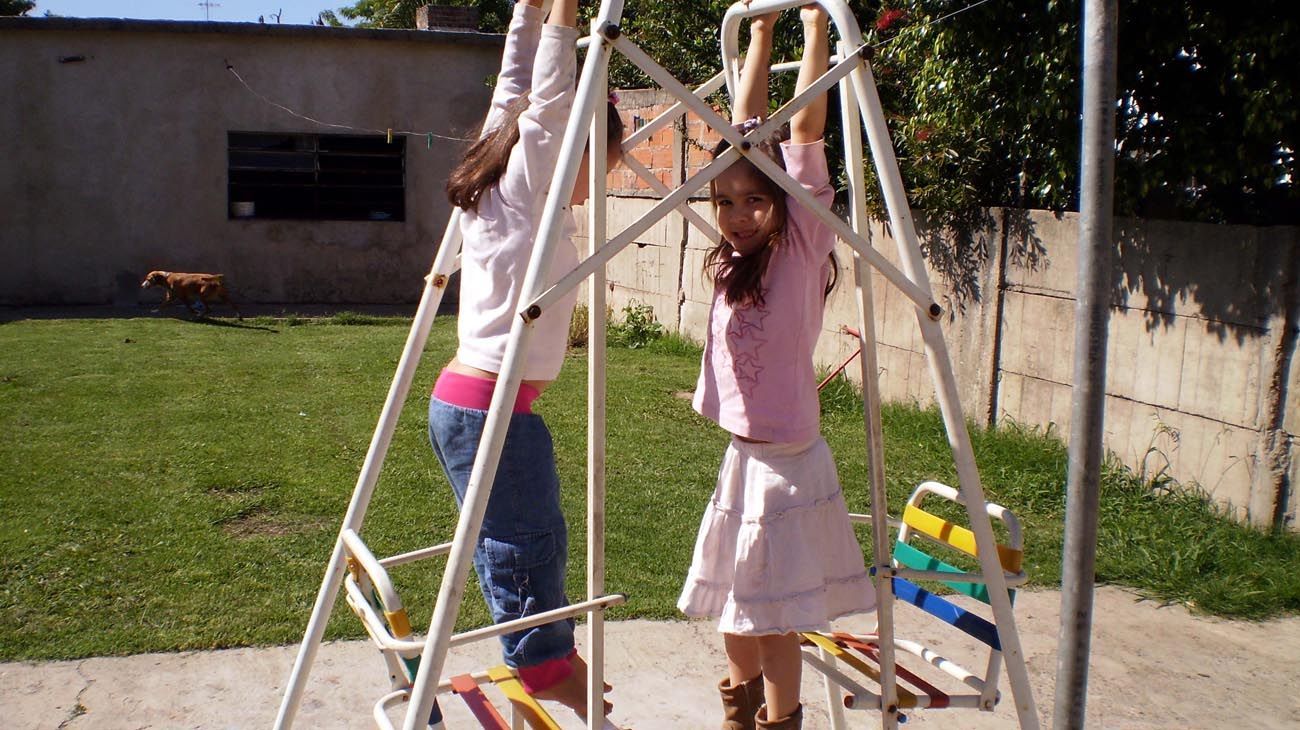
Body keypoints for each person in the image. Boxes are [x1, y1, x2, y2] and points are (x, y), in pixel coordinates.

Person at [677, 6, 876, 730]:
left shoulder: (797, 248)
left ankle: (779, 719)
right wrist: (759, 39)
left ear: (784, 208)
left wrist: (815, 30)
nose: (737, 213)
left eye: (755, 201)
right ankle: (739, 708)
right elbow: (744, 134)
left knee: (774, 619)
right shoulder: (734, 257)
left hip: (788, 465)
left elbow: (801, 136)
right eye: (726, 202)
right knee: (734, 604)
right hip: (743, 460)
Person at [429, 0, 624, 720]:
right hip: (489, 409)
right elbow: (545, 101)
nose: (599, 180)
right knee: (528, 539)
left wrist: (526, 14)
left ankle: (546, 653)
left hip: (471, 402)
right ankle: (543, 666)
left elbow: (514, 93)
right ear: (570, 151)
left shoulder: (499, 176)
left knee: (520, 535)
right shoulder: (529, 185)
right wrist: (565, 18)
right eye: (601, 164)